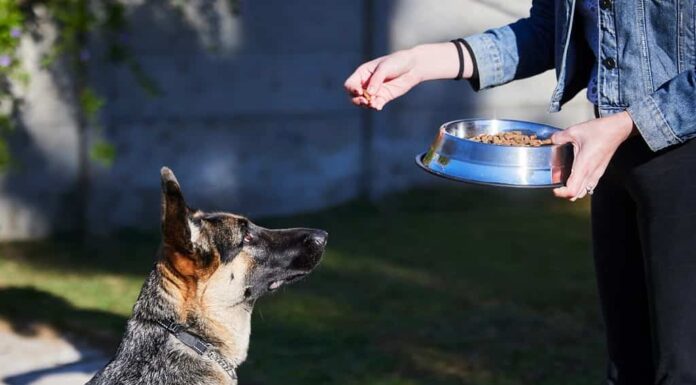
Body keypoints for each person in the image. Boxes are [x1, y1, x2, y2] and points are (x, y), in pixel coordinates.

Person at [344, 1, 696, 384]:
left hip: (676, 151)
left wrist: (629, 123)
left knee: (682, 368)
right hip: (613, 150)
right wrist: (425, 61)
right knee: (629, 367)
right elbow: (550, 31)